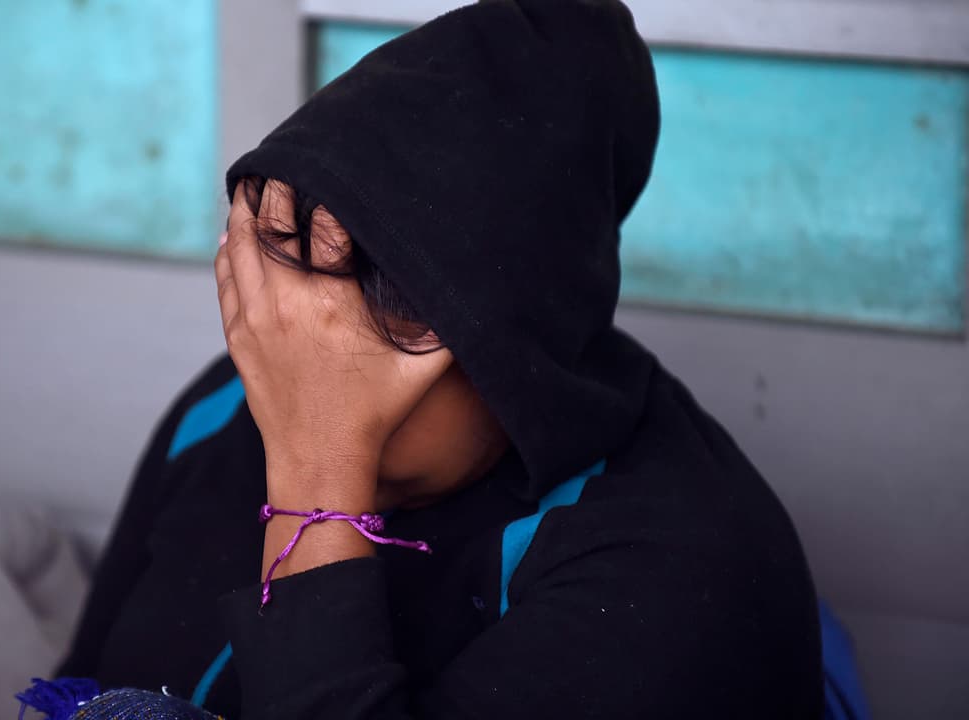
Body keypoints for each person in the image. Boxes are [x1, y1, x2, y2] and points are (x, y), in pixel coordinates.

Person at [56, 1, 823, 718]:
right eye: (283, 311)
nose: (295, 386)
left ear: (517, 357)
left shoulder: (677, 568)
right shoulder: (239, 397)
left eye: (351, 355)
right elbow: (84, 690)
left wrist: (318, 480)